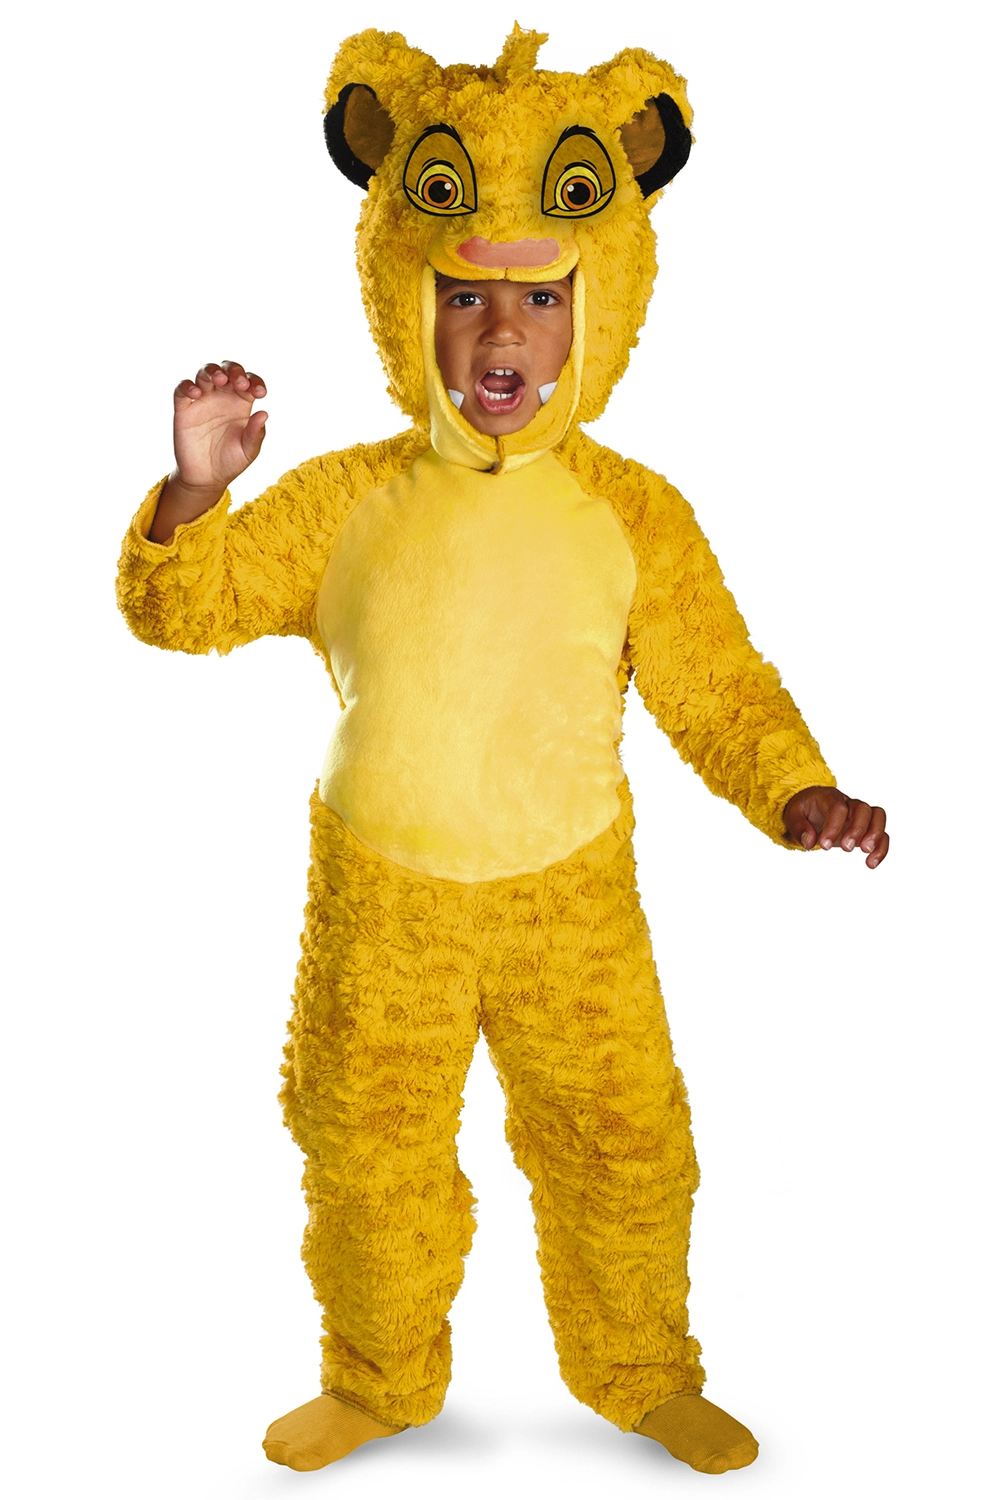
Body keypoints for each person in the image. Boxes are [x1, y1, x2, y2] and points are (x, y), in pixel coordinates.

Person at [117, 27, 888, 1478]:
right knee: (365, 1148)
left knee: (622, 1138)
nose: (499, 338)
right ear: (406, 294)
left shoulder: (634, 512)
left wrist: (793, 787)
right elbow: (185, 612)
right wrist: (191, 493)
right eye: (465, 296)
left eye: (540, 297)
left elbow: (715, 681)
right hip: (380, 895)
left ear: (600, 305)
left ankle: (640, 1367)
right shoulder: (346, 500)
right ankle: (378, 1377)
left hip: (570, 899)